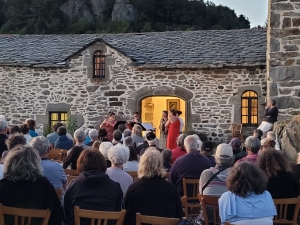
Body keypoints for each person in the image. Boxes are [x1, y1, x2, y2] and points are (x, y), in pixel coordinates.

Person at [0, 145, 62, 225]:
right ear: (35, 163)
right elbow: (56, 215)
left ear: (10, 163)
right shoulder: (45, 186)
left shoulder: (3, 186)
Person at [64, 150, 123, 225]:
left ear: (81, 165)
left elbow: (65, 215)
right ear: (103, 164)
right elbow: (119, 213)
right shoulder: (115, 188)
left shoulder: (73, 186)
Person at [124, 150, 182, 225]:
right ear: (160, 165)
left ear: (142, 165)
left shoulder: (133, 188)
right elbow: (179, 216)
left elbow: (126, 216)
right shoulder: (171, 189)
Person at [198, 143, 235, 224]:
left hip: (208, 220)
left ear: (215, 158)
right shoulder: (237, 176)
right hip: (228, 221)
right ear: (232, 159)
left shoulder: (205, 174)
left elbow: (201, 195)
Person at [258, 149, 298, 220]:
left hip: (267, 218)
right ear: (281, 161)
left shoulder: (260, 178)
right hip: (289, 218)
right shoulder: (289, 176)